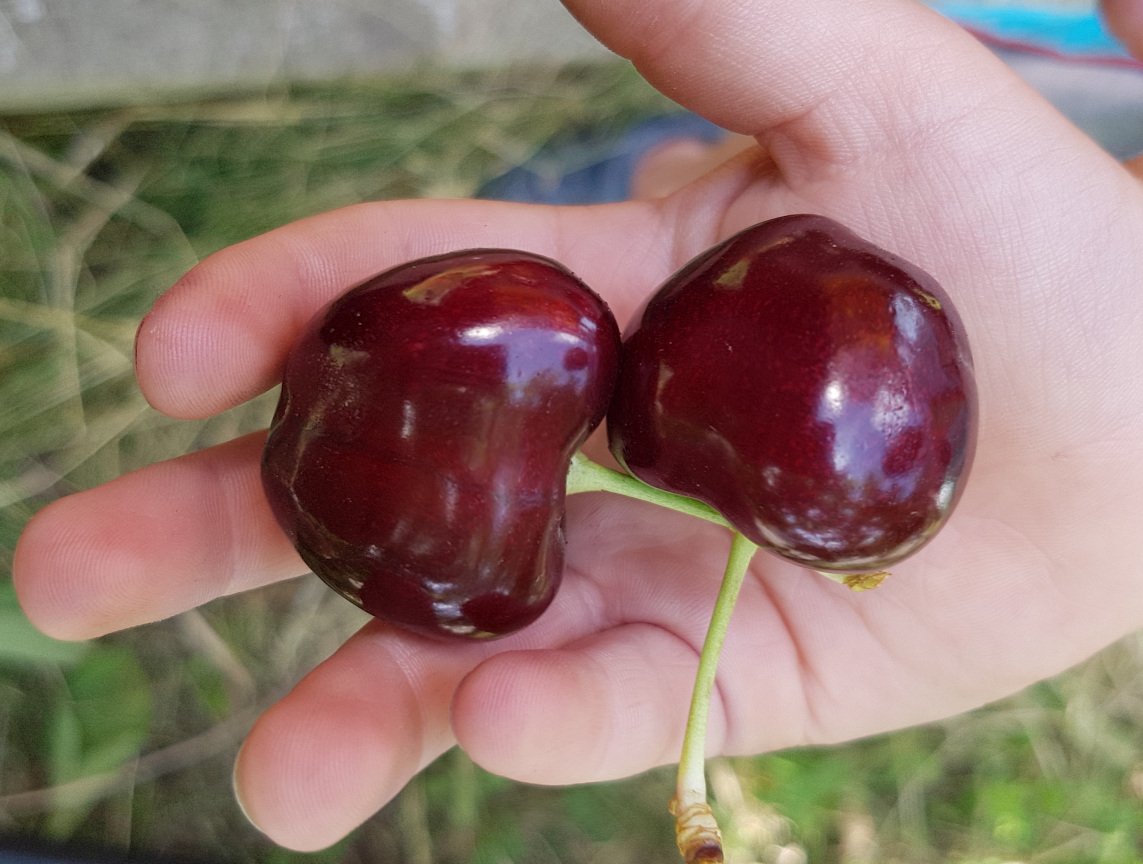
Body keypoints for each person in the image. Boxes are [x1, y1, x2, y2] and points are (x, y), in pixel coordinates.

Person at [12, 0, 1143, 852]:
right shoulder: (817, 484)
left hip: (581, 320)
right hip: (624, 306)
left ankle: (641, 169)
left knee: (588, 246)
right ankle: (651, 168)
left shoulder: (603, 410)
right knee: (619, 216)